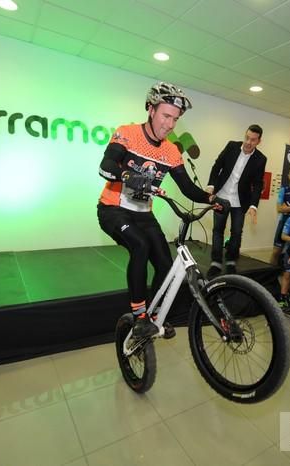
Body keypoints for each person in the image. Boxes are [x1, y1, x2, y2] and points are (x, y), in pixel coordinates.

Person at [97, 82, 228, 339]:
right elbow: (105, 164)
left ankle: (155, 316)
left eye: (175, 119)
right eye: (166, 115)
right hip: (112, 209)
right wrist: (126, 174)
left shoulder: (170, 151)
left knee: (166, 265)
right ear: (150, 109)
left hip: (143, 213)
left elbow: (188, 188)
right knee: (140, 246)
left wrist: (211, 198)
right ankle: (139, 317)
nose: (169, 124)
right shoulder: (128, 133)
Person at [206, 125, 267, 277]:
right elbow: (217, 166)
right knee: (218, 230)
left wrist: (254, 205)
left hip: (240, 201)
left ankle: (231, 261)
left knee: (236, 232)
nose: (248, 142)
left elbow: (258, 183)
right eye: (247, 137)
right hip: (221, 196)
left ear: (259, 141)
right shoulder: (231, 146)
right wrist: (211, 185)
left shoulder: (260, 159)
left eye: (253, 140)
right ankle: (216, 262)